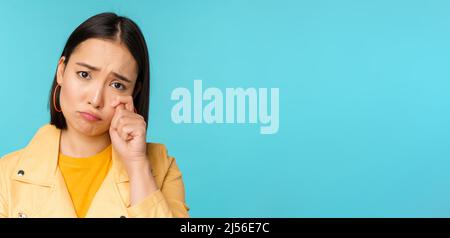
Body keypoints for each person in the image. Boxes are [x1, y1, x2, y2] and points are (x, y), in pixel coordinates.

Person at [0, 12, 189, 218]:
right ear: (61, 71)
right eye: (84, 75)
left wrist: (137, 165)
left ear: (133, 92)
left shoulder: (162, 168)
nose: (96, 99)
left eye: (117, 85)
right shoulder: (6, 174)